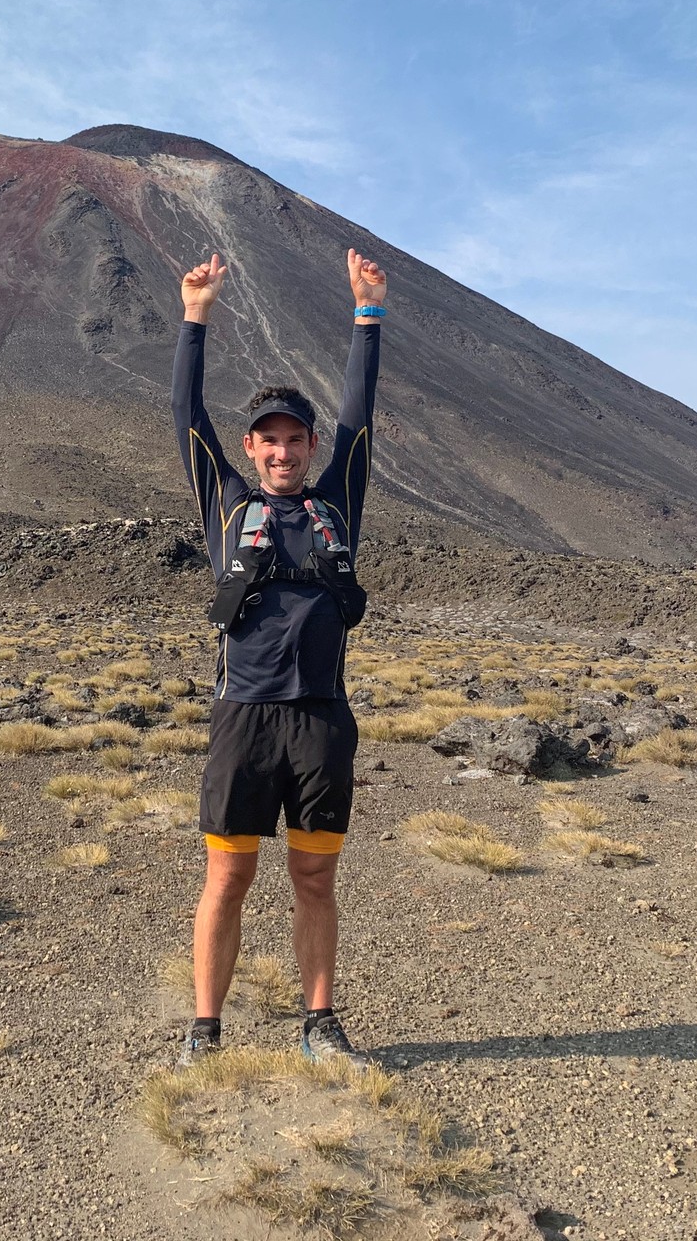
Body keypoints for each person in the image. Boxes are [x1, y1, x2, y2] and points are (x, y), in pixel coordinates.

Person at [170, 246, 387, 1068]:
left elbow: (358, 421)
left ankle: (321, 1025)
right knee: (227, 879)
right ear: (250, 449)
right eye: (270, 441)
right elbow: (183, 417)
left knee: (314, 880)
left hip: (322, 722)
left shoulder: (337, 505)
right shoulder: (224, 504)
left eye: (297, 440)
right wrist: (195, 317)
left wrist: (368, 313)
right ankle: (204, 1031)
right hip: (243, 719)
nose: (285, 452)